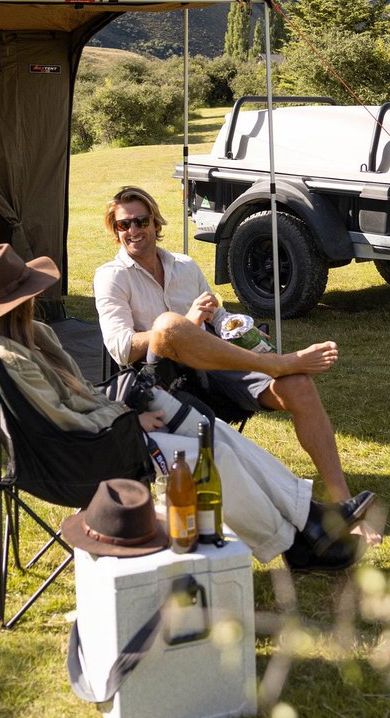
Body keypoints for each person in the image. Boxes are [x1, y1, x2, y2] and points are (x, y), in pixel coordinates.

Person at [0, 243, 371, 571]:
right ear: (18, 302)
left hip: (104, 429)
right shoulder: (6, 358)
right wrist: (128, 422)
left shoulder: (31, 336)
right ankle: (295, 544)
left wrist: (127, 408)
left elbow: (76, 397)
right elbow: (61, 420)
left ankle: (313, 516)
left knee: (209, 429)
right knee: (213, 456)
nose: (36, 298)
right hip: (87, 454)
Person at [93, 185, 377, 542]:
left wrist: (249, 339)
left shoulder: (183, 265)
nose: (133, 231)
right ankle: (278, 364)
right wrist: (187, 323)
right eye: (123, 225)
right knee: (170, 325)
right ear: (114, 229)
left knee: (299, 386)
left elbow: (222, 320)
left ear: (154, 221)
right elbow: (121, 349)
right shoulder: (112, 276)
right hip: (161, 383)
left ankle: (342, 503)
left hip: (215, 364)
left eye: (140, 221)